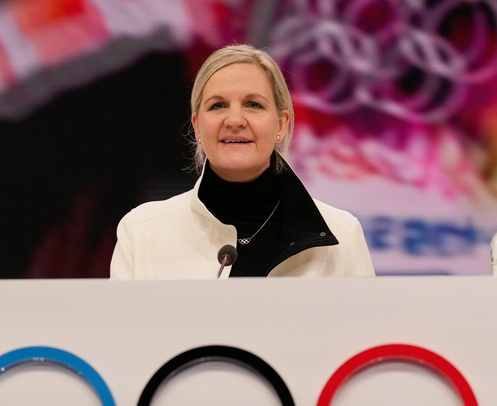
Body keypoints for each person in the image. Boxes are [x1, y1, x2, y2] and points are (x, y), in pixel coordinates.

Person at [110, 44, 375, 279]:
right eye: (218, 105)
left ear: (281, 124)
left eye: (253, 105)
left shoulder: (343, 236)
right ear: (197, 126)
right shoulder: (141, 232)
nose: (235, 120)